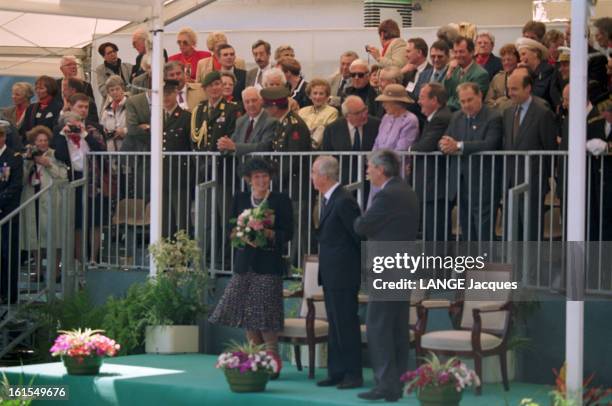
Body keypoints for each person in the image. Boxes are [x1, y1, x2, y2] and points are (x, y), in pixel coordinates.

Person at [209, 157, 292, 380]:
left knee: (264, 310)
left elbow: (289, 234)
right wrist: (240, 234)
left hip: (269, 264)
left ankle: (272, 355)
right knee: (247, 311)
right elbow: (230, 226)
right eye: (257, 177)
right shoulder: (241, 198)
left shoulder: (281, 200)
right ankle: (254, 355)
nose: (262, 180)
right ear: (248, 179)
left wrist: (268, 233)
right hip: (244, 263)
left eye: (265, 176)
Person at [354, 149, 419, 402]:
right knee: (396, 327)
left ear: (381, 169)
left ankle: (385, 385)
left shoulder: (387, 195)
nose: (367, 171)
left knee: (379, 326)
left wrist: (358, 220)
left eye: (369, 167)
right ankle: (396, 383)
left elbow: (362, 225)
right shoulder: (406, 190)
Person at [311, 156, 363, 389]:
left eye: (313, 173)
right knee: (334, 323)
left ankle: (353, 373)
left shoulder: (344, 200)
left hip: (343, 273)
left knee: (346, 323)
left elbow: (359, 236)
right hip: (332, 273)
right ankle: (337, 371)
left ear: (324, 175)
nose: (311, 177)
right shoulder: (329, 199)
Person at [438, 82, 503, 241]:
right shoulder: (456, 117)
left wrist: (458, 146)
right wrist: (443, 145)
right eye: (463, 101)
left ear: (480, 95)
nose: (466, 105)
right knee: (466, 225)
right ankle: (471, 262)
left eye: (470, 100)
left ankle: (484, 263)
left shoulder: (493, 116)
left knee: (483, 228)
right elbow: (445, 139)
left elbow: (490, 143)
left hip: (484, 181)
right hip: (461, 181)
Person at [503, 67, 557, 240]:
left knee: (531, 230)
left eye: (514, 89)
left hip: (533, 182)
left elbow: (550, 150)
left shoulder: (543, 113)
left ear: (528, 88)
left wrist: (542, 178)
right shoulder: (508, 112)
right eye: (508, 88)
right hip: (511, 181)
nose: (510, 93)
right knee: (513, 229)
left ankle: (532, 267)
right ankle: (515, 266)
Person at [51, 112, 106, 263]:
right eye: (72, 123)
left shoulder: (89, 133)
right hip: (72, 180)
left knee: (94, 220)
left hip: (92, 181)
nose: (76, 126)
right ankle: (80, 259)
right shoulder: (60, 137)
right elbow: (60, 155)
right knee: (77, 222)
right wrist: (64, 134)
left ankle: (94, 258)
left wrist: (84, 134)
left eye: (78, 122)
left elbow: (100, 151)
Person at [20, 126, 67, 281]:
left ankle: (56, 270)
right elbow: (22, 178)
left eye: (45, 140)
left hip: (52, 200)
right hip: (33, 198)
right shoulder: (29, 156)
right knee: (35, 236)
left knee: (55, 236)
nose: (43, 143)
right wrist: (28, 162)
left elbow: (63, 178)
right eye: (39, 140)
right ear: (34, 142)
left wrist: (48, 164)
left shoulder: (55, 155)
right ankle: (38, 270)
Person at [411, 82, 453, 241]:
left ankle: (437, 263)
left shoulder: (441, 118)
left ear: (434, 100)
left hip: (436, 183)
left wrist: (410, 149)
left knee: (435, 229)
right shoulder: (435, 117)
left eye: (422, 98)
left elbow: (425, 146)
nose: (419, 102)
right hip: (431, 183)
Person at [322, 95, 380, 184]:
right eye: (358, 113)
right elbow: (327, 155)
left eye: (364, 110)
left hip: (371, 179)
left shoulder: (376, 125)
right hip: (343, 180)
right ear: (347, 116)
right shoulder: (332, 129)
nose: (364, 115)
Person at [161, 80, 192, 237]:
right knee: (164, 219)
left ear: (176, 94)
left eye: (169, 93)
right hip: (162, 175)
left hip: (180, 174)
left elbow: (190, 145)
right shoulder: (157, 117)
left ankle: (183, 256)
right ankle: (166, 254)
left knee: (182, 218)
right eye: (163, 93)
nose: (165, 97)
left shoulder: (186, 117)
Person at [217, 87, 277, 157]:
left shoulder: (270, 121)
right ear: (243, 104)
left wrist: (234, 146)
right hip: (241, 167)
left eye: (254, 100)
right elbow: (232, 143)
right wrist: (224, 145)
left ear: (261, 101)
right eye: (247, 102)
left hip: (260, 166)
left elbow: (264, 146)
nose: (251, 104)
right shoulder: (240, 121)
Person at [0, 126, 23, 306]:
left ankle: (9, 293)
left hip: (7, 212)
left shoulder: (13, 158)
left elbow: (15, 186)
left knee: (9, 255)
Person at [191, 71, 241, 152]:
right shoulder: (199, 110)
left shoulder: (231, 109)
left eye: (217, 84)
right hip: (201, 160)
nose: (214, 88)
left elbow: (233, 136)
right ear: (204, 89)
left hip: (222, 160)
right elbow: (194, 140)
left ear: (222, 86)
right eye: (210, 85)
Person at [444, 36, 490, 111]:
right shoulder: (453, 69)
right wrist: (449, 73)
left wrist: (446, 106)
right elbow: (443, 93)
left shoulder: (481, 74)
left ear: (472, 52)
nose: (458, 55)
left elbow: (469, 101)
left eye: (461, 52)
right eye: (455, 52)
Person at [298, 79, 339, 149]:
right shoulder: (302, 111)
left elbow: (327, 133)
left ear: (327, 96)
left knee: (321, 128)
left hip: (320, 150)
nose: (317, 97)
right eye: (315, 93)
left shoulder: (332, 111)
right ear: (309, 96)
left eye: (321, 94)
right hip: (300, 146)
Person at [516, 37, 554, 107]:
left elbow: (537, 94)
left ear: (535, 53)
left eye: (524, 54)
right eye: (520, 56)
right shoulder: (528, 71)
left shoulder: (546, 69)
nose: (521, 59)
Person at [485, 43, 520, 112]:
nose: (506, 63)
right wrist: (496, 103)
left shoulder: (522, 76)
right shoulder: (497, 78)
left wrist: (502, 102)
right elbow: (488, 101)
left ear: (517, 60)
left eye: (509, 60)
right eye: (503, 60)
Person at [99, 75, 128, 152]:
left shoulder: (131, 106)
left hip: (129, 150)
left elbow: (138, 127)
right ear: (108, 92)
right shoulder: (106, 110)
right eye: (112, 90)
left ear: (123, 89)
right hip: (111, 151)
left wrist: (124, 131)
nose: (115, 92)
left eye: (117, 89)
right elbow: (102, 128)